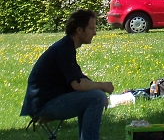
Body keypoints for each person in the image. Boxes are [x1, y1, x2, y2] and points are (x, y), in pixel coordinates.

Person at [20, 9, 114, 140]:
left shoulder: (66, 47)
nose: (95, 33)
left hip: (46, 102)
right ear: (79, 30)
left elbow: (79, 78)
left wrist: (97, 88)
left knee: (93, 95)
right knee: (96, 97)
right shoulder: (64, 49)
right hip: (43, 106)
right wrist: (103, 87)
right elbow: (78, 85)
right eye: (91, 28)